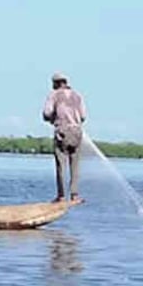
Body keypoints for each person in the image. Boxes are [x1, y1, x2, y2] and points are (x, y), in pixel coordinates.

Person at [42, 72, 87, 203]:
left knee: (61, 165)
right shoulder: (77, 96)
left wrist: (52, 118)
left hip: (62, 131)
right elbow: (83, 116)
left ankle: (61, 196)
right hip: (77, 132)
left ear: (56, 83)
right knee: (75, 165)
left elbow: (47, 113)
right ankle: (74, 194)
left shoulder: (54, 95)